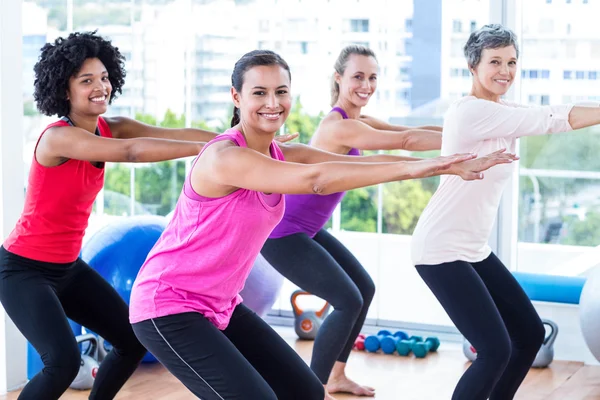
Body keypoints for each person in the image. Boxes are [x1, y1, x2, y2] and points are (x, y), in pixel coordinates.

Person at [129, 48, 516, 400]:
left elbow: (355, 163)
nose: (272, 103)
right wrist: (427, 166)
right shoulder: (225, 158)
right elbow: (316, 180)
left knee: (307, 393)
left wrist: (444, 161)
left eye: (281, 92)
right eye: (259, 93)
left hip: (221, 305)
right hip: (168, 306)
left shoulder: (283, 151)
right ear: (237, 98)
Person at [0, 31, 267, 400]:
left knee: (129, 339)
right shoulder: (57, 139)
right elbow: (132, 152)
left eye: (104, 77)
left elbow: (173, 132)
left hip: (67, 267)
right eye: (86, 81)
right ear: (64, 90)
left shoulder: (111, 126)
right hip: (24, 269)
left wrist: (240, 140)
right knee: (60, 362)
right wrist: (218, 150)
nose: (100, 87)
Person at [411, 24, 600, 400]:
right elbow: (550, 118)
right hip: (440, 249)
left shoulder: (501, 110)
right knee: (494, 349)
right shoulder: (471, 111)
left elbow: (547, 114)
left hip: (473, 248)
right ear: (472, 65)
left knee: (528, 335)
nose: (505, 71)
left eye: (511, 62)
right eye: (495, 61)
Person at [260, 44, 451, 397]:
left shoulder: (356, 120)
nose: (366, 84)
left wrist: (461, 131)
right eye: (358, 76)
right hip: (283, 234)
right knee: (348, 299)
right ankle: (310, 390)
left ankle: (336, 376)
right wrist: (460, 147)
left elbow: (406, 129)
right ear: (339, 78)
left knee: (363, 289)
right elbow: (405, 141)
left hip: (307, 230)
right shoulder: (338, 127)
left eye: (372, 77)